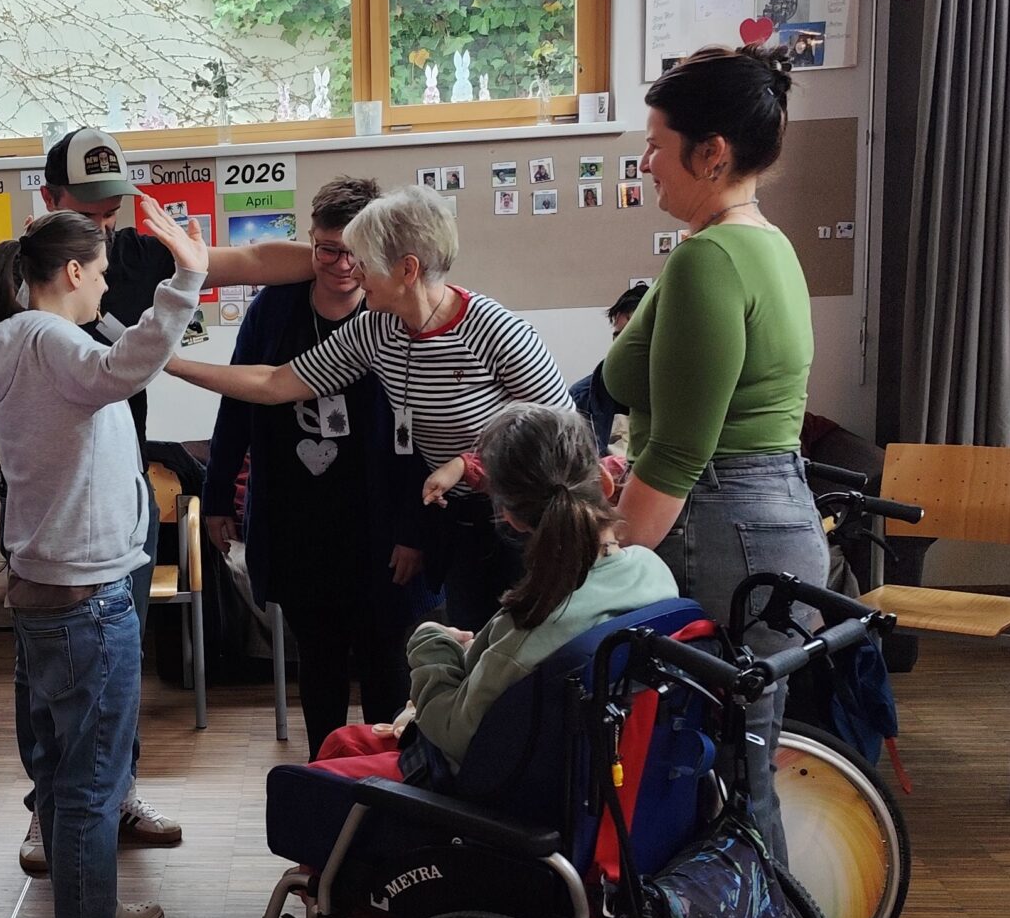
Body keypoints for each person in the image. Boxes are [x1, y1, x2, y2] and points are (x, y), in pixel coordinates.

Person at [0, 128, 316, 872]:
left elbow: (256, 260)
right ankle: (51, 812)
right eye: (89, 209)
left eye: (113, 207)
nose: (107, 223)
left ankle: (112, 794)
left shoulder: (132, 255)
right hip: (53, 518)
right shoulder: (10, 275)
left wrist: (340, 254)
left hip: (117, 515)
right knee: (50, 679)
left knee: (113, 675)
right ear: (50, 200)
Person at [0, 199, 206, 918]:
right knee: (92, 782)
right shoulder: (49, 340)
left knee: (70, 774)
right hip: (86, 597)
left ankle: (88, 908)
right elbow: (125, 368)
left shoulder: (19, 340)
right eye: (100, 272)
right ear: (71, 271)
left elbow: (111, 362)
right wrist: (186, 279)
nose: (105, 286)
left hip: (56, 587)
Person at [166, 186, 574, 632]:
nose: (353, 273)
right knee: (473, 653)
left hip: (524, 519)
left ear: (407, 269)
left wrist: (467, 464)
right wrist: (172, 362)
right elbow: (275, 382)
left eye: (363, 261)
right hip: (454, 521)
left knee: (528, 647)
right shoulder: (376, 329)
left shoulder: (496, 330)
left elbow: (566, 440)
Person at [605, 45, 827, 863]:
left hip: (723, 527)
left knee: (713, 774)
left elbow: (678, 452)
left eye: (656, 144)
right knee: (741, 769)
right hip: (766, 519)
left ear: (713, 153)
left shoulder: (710, 258)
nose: (645, 162)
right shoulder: (761, 243)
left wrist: (605, 555)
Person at [308, 404, 678, 779]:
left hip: (498, 791)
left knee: (318, 770)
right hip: (610, 771)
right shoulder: (653, 571)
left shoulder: (527, 630)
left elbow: (455, 737)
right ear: (604, 482)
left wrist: (431, 646)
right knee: (345, 742)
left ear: (511, 516)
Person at [202, 177, 437, 759]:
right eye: (326, 250)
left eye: (355, 253)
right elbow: (241, 399)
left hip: (380, 525)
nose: (341, 265)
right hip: (299, 521)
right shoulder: (274, 309)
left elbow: (424, 435)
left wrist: (414, 530)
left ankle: (385, 788)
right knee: (320, 662)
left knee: (385, 663)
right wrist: (217, 494)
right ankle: (326, 778)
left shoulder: (395, 314)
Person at [568, 283, 648, 454]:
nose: (623, 346)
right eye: (618, 336)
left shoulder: (680, 397)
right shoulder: (582, 398)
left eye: (633, 336)